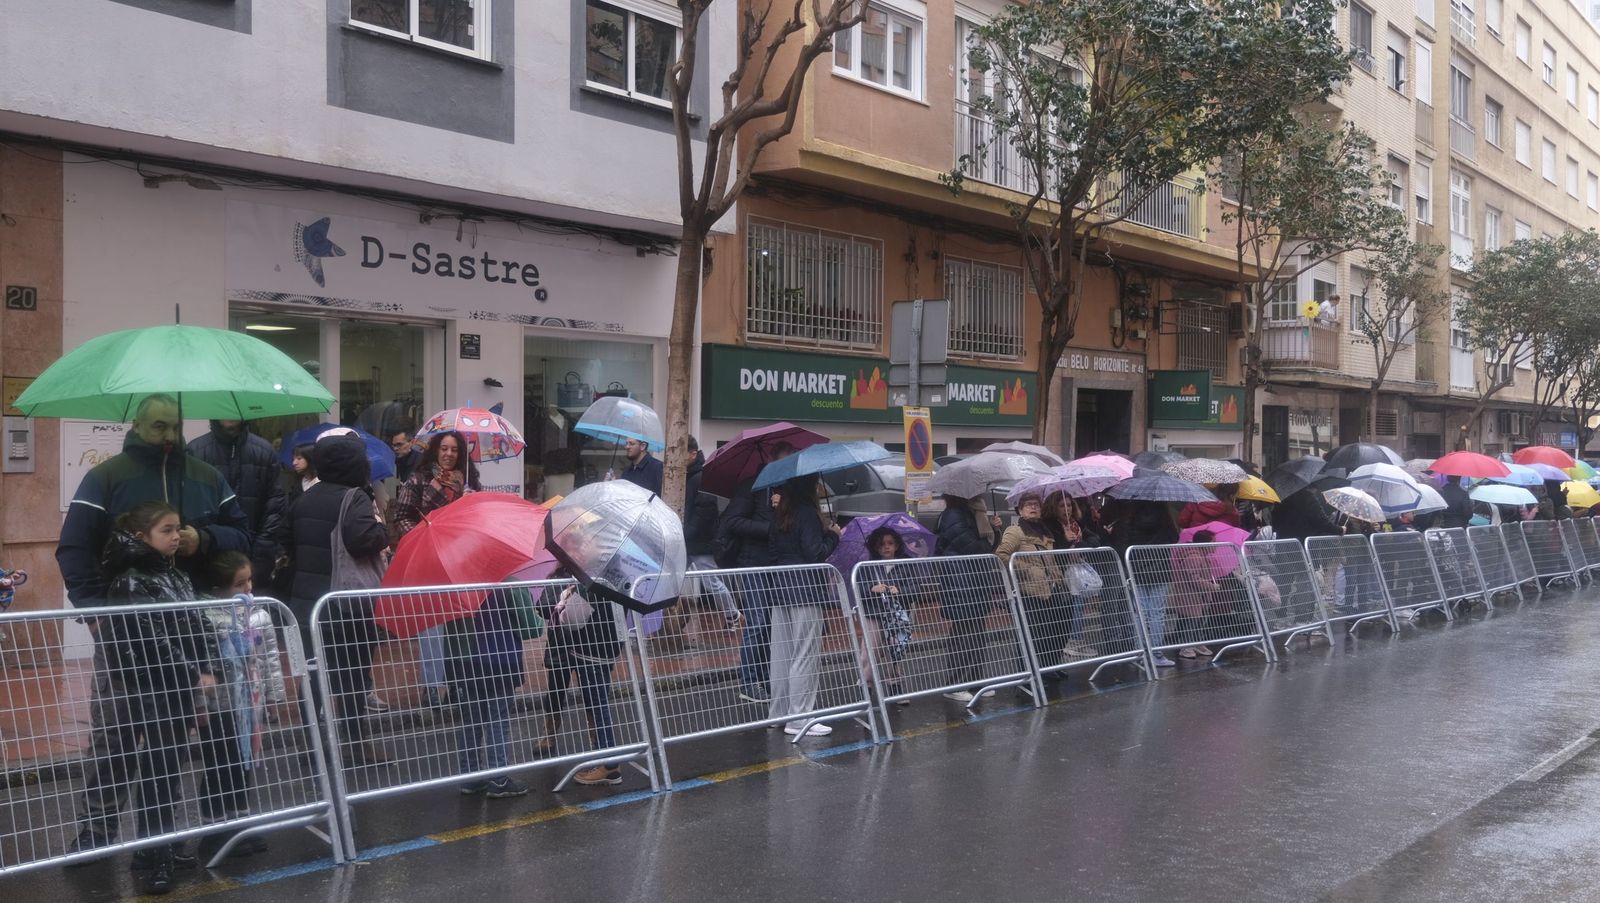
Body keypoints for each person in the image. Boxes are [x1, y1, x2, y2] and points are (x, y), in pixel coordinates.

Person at [58, 394, 249, 863]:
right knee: (117, 736)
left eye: (173, 426)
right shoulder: (106, 477)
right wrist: (97, 614)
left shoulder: (205, 476)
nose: (167, 436)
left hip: (197, 631)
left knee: (209, 736)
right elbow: (74, 548)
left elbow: (243, 532)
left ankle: (220, 828)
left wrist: (201, 539)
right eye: (157, 427)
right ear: (137, 426)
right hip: (126, 635)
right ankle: (97, 832)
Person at [91, 502, 220, 894]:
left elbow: (195, 623)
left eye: (178, 528)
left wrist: (209, 654)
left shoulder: (174, 575)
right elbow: (150, 641)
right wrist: (192, 670)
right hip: (149, 688)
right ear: (142, 536)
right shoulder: (131, 580)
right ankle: (156, 852)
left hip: (173, 687)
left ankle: (152, 847)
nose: (176, 536)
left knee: (165, 768)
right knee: (160, 769)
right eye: (166, 530)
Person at [273, 433, 392, 765]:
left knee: (311, 674)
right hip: (345, 606)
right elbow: (362, 539)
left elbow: (284, 540)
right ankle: (356, 745)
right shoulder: (354, 498)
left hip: (306, 604)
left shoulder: (303, 499)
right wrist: (382, 529)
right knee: (354, 675)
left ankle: (312, 750)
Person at [193, 551, 273, 863]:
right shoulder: (206, 617)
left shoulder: (253, 611)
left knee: (245, 762)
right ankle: (215, 831)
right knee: (219, 765)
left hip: (248, 701)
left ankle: (240, 823)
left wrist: (272, 696)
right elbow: (201, 668)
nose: (248, 587)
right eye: (239, 583)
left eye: (249, 580)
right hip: (220, 704)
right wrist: (199, 705)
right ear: (218, 588)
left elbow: (266, 658)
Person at [394, 431, 482, 711]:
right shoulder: (418, 479)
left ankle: (457, 685)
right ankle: (431, 686)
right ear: (435, 451)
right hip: (429, 559)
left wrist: (471, 502)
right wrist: (424, 537)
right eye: (443, 449)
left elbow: (476, 521)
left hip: (459, 561)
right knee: (431, 627)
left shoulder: (469, 482)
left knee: (460, 626)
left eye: (454, 450)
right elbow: (401, 517)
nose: (448, 454)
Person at [447, 583, 544, 798]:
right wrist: (536, 616)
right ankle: (498, 778)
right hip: (501, 660)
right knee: (498, 719)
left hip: (466, 662)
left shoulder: (456, 584)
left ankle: (470, 777)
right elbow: (530, 628)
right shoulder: (510, 584)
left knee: (471, 720)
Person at [720, 441, 795, 703]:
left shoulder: (789, 490)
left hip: (778, 564)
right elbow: (733, 521)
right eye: (784, 461)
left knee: (773, 623)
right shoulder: (752, 487)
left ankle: (766, 677)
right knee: (758, 621)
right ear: (773, 458)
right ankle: (749, 681)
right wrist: (770, 529)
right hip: (754, 563)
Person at [766, 475, 841, 736]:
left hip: (780, 586)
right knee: (805, 653)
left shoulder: (780, 514)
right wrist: (833, 535)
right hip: (806, 588)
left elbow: (774, 551)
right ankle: (800, 718)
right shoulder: (808, 513)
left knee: (781, 654)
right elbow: (816, 552)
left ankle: (778, 713)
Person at [536, 580, 626, 786]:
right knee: (599, 703)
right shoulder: (619, 579)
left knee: (598, 706)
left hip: (590, 652)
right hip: (607, 649)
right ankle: (607, 761)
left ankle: (609, 765)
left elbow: (573, 620)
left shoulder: (589, 582)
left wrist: (567, 598)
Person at [188, 420, 286, 585]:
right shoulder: (195, 451)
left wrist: (262, 549)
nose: (229, 416)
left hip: (255, 558)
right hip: (208, 558)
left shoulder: (264, 451)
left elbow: (275, 505)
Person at [934, 494, 997, 701]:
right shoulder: (953, 515)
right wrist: (989, 535)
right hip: (960, 581)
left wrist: (994, 529)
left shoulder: (973, 514)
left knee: (977, 630)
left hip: (974, 580)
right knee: (964, 631)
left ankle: (975, 680)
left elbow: (986, 546)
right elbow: (973, 546)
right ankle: (956, 683)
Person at [997, 494, 1069, 671]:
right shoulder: (1015, 531)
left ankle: (1049, 668)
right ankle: (1028, 674)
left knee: (1057, 631)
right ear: (1020, 510)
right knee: (1033, 635)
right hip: (1031, 591)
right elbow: (1001, 554)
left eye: (1036, 505)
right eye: (1028, 505)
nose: (1033, 508)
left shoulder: (1045, 531)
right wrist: (1029, 570)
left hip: (1053, 588)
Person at [680, 436, 741, 643]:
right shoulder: (689, 476)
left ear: (693, 453)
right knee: (676, 578)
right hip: (690, 540)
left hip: (699, 542)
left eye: (682, 452)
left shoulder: (700, 477)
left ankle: (733, 614)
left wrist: (685, 533)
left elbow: (704, 512)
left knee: (711, 581)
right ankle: (732, 613)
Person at [1114, 501, 1180, 668]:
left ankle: (1140, 650)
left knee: (1139, 612)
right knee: (1157, 613)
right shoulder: (1165, 521)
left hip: (1136, 570)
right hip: (1160, 571)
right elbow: (1174, 538)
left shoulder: (1130, 519)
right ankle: (1156, 652)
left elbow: (1122, 543)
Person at [857, 527, 915, 705]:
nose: (886, 548)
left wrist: (900, 591)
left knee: (895, 652)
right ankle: (865, 688)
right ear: (875, 547)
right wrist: (871, 589)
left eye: (890, 543)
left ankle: (895, 687)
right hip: (874, 614)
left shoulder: (906, 565)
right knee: (869, 652)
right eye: (882, 545)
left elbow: (914, 589)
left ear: (897, 545)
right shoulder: (866, 567)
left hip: (896, 616)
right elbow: (858, 588)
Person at [1170, 530, 1221, 660]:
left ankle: (1197, 643)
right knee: (1192, 621)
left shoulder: (1201, 556)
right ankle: (1186, 647)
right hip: (1191, 596)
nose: (1216, 545)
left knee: (1199, 620)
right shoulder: (1194, 557)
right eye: (1213, 542)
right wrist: (1210, 586)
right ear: (1205, 544)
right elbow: (1193, 578)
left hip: (1199, 596)